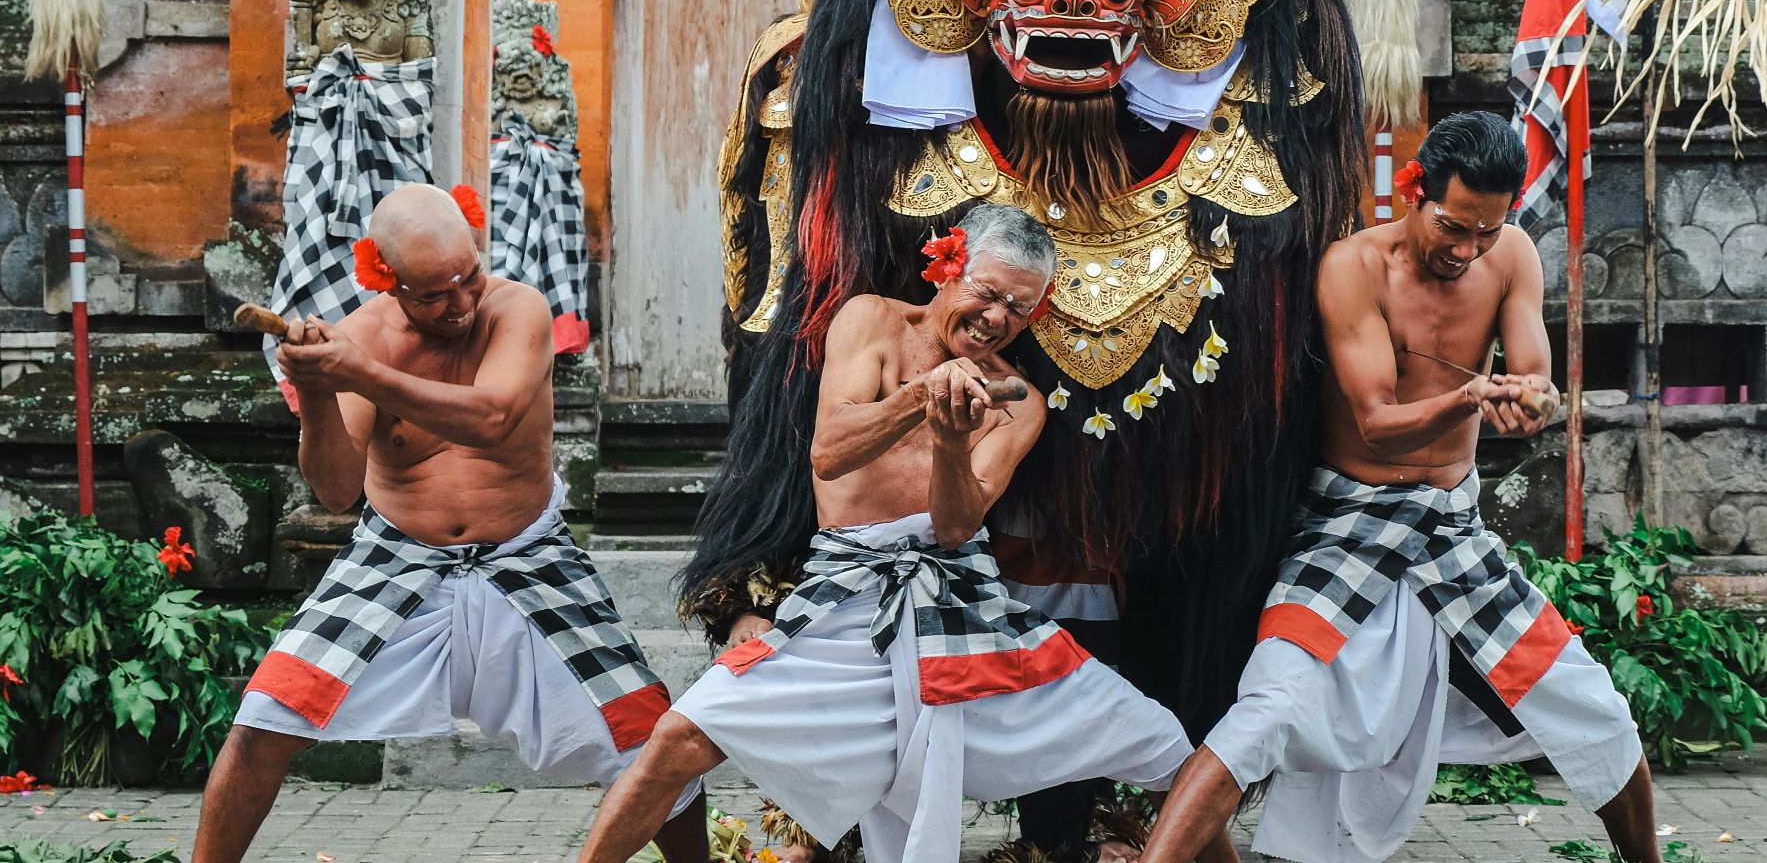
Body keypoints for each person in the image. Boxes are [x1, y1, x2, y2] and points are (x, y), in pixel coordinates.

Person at [577, 204, 1234, 863]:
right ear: (946, 267)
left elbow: (955, 527)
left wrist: (950, 443)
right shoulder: (871, 320)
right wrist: (923, 396)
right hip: (845, 598)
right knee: (678, 740)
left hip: (964, 605)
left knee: (1163, 745)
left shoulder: (1019, 402)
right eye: (989, 293)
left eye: (1021, 307)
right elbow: (829, 451)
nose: (1000, 317)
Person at [1140, 112, 1660, 863]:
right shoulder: (1353, 266)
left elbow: (1535, 378)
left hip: (1452, 529)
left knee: (1594, 710)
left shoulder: (1511, 255)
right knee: (1266, 710)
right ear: (1416, 189)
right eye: (1453, 227)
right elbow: (1378, 422)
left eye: (1485, 230)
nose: (1466, 249)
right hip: (1348, 524)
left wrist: (1535, 402)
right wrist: (1469, 399)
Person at [191, 184, 707, 863]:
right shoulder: (363, 337)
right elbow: (338, 489)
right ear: (385, 276)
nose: (460, 304)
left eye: (469, 277)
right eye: (433, 293)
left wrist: (363, 374)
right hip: (396, 554)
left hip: (529, 553)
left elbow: (491, 416)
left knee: (649, 734)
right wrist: (320, 393)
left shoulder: (516, 308)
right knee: (264, 720)